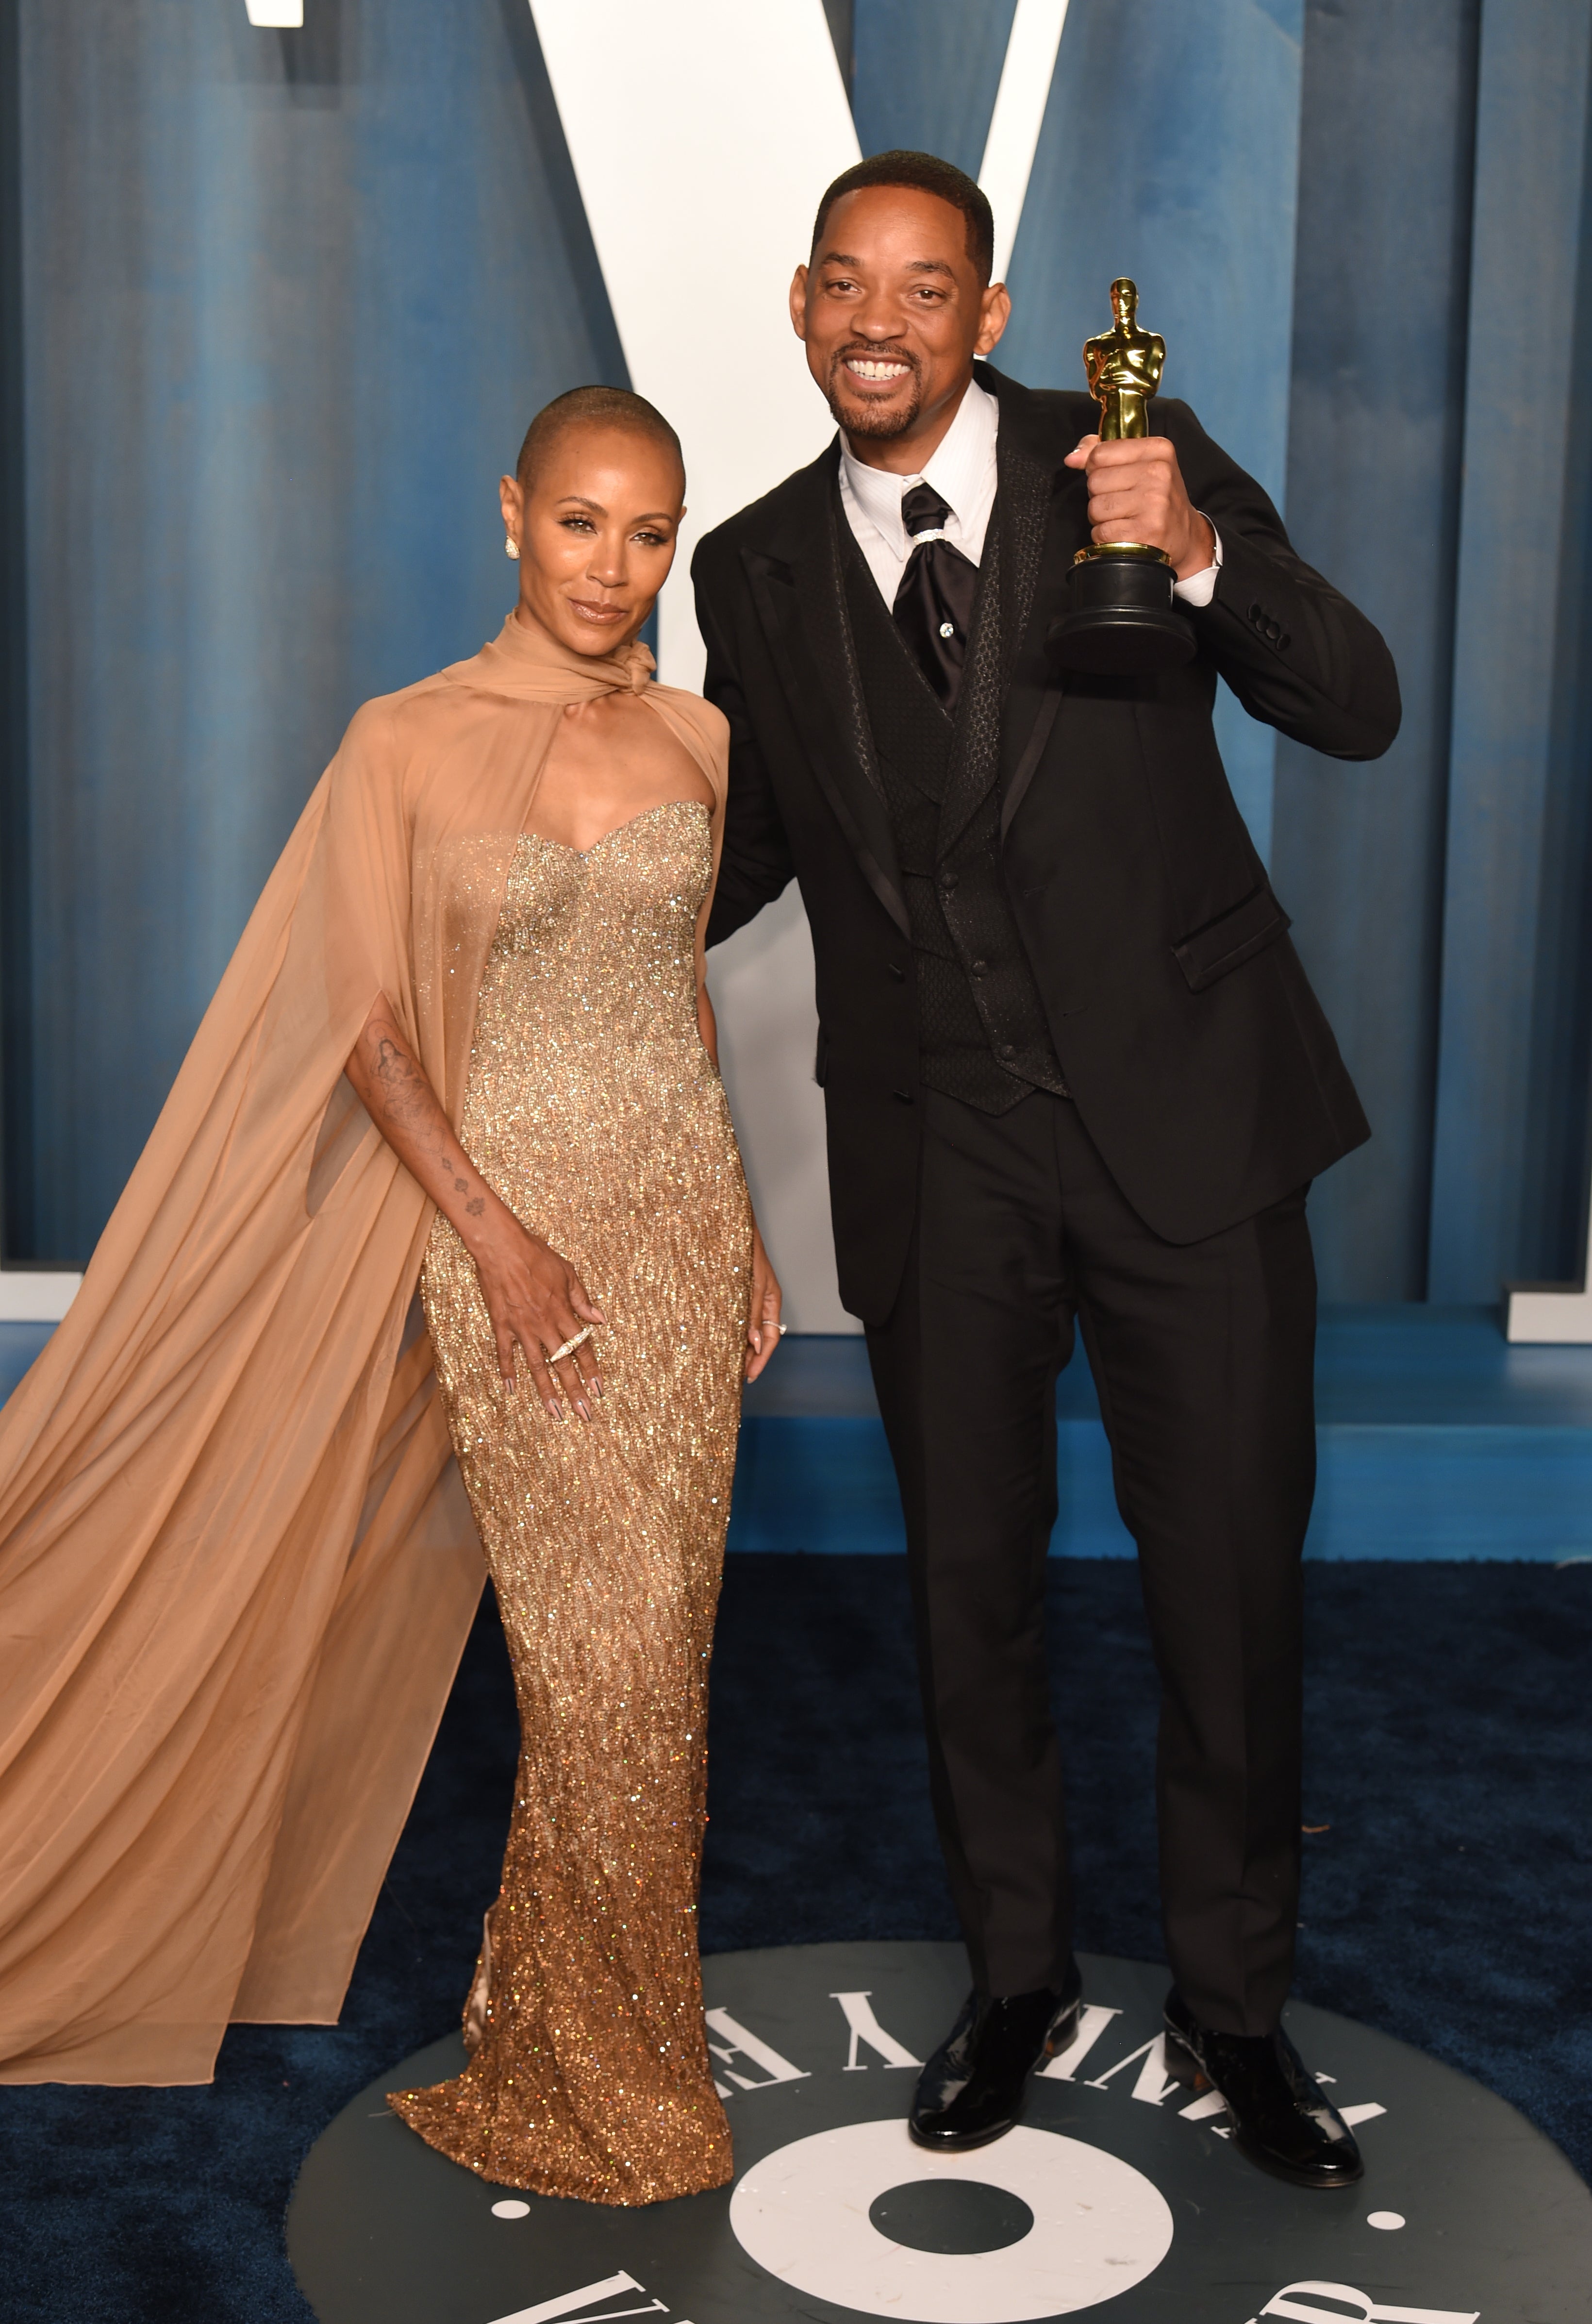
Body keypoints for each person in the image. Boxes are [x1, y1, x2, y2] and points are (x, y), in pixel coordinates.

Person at [693, 151, 1399, 2190]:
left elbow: (1352, 704)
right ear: (803, 306)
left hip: (1192, 1121)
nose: (879, 321)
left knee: (1226, 1599)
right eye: (845, 283)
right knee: (969, 1598)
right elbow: (737, 856)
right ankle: (1015, 1976)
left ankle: (1235, 2012)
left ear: (986, 319)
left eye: (924, 287)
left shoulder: (1133, 449)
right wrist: (535, 872)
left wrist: (1196, 559)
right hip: (944, 1156)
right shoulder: (747, 566)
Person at [0, 387, 779, 2208]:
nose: (614, 565)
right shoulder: (406, 741)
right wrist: (493, 1237)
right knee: (597, 1669)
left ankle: (572, 2037)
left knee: (657, 1656)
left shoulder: (701, 735)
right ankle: (602, 2076)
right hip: (514, 1234)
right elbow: (361, 1018)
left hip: (669, 1236)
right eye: (581, 521)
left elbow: (682, 995)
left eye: (650, 531)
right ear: (512, 513)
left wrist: (738, 1217)